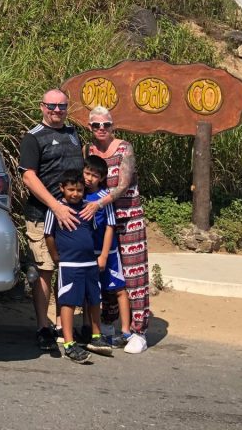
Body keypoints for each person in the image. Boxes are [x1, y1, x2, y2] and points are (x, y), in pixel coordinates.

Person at [78, 105, 150, 354]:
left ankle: (138, 330)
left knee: (133, 274)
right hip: (97, 221)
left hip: (127, 218)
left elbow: (123, 184)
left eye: (106, 125)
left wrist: (99, 202)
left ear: (113, 126)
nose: (101, 129)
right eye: (96, 125)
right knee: (104, 272)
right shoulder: (87, 149)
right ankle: (107, 324)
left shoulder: (124, 148)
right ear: (90, 127)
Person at [19, 88, 84, 352]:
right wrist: (55, 206)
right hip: (43, 216)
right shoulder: (33, 138)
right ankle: (42, 327)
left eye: (62, 107)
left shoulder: (73, 134)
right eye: (52, 106)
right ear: (42, 107)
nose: (57, 111)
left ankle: (61, 323)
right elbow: (28, 177)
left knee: (67, 270)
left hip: (71, 218)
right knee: (45, 270)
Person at [44, 171, 115, 364]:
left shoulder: (88, 208)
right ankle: (68, 344)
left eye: (79, 190)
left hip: (90, 263)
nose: (75, 193)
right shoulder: (56, 209)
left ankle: (96, 335)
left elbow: (92, 230)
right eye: (71, 189)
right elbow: (48, 234)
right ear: (62, 189)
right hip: (69, 265)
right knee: (68, 301)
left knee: (93, 298)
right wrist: (55, 256)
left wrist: (100, 256)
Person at [82, 154, 133, 349]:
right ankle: (88, 328)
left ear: (102, 178)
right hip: (87, 253)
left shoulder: (105, 198)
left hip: (108, 254)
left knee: (118, 289)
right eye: (87, 173)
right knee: (89, 292)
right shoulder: (79, 194)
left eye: (94, 175)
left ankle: (126, 331)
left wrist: (104, 255)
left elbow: (111, 226)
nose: (89, 178)